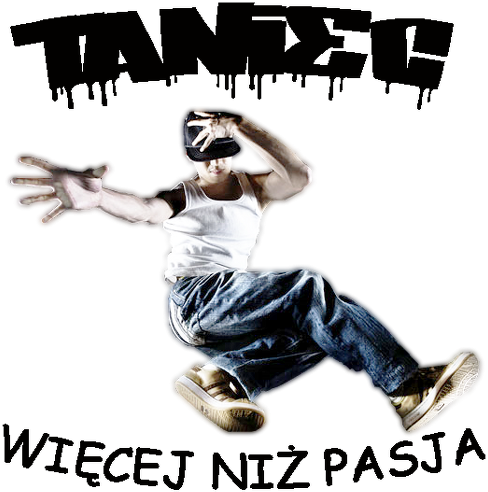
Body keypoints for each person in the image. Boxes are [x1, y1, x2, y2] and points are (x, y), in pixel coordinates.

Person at [7, 107, 485, 437]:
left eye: (221, 152)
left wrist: (242, 126)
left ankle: (222, 378)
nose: (214, 164)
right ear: (186, 159)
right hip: (196, 298)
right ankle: (407, 386)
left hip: (232, 308)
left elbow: (303, 176)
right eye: (202, 157)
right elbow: (143, 210)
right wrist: (98, 200)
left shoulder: (255, 187)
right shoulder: (181, 195)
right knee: (307, 284)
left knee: (323, 330)